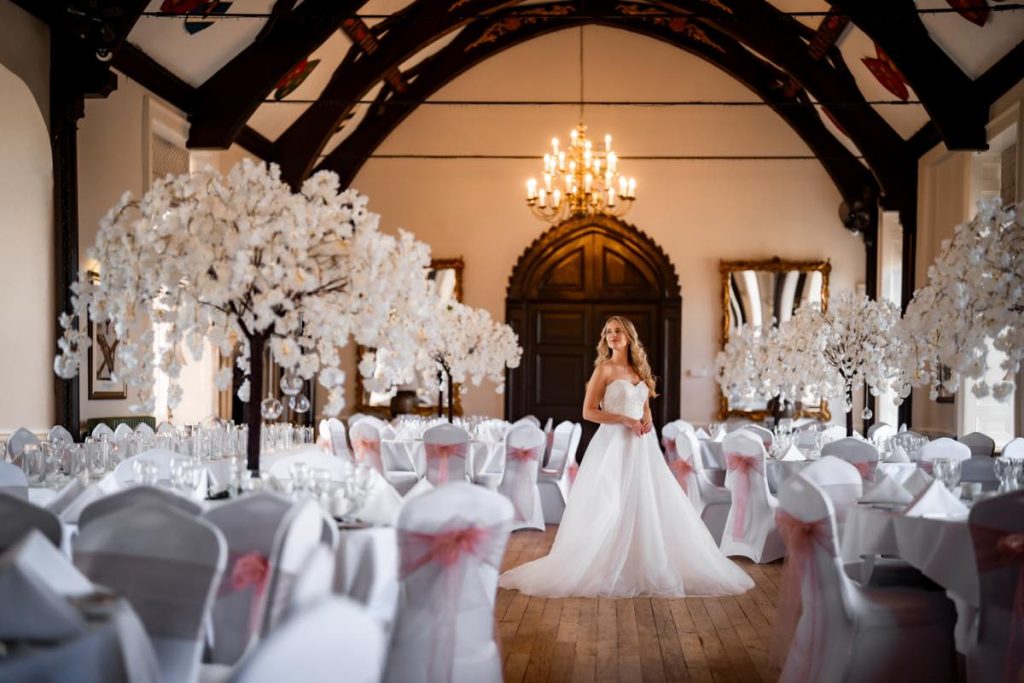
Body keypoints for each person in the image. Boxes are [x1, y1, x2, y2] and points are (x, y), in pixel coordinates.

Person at [499, 316, 753, 598]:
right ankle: (608, 565)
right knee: (611, 502)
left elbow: (644, 409)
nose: (612, 335)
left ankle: (644, 563)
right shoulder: (604, 370)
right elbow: (588, 412)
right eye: (608, 331)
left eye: (618, 331)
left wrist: (645, 420)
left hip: (641, 447)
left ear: (629, 336)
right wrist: (623, 419)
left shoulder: (639, 370)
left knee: (645, 502)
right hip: (612, 445)